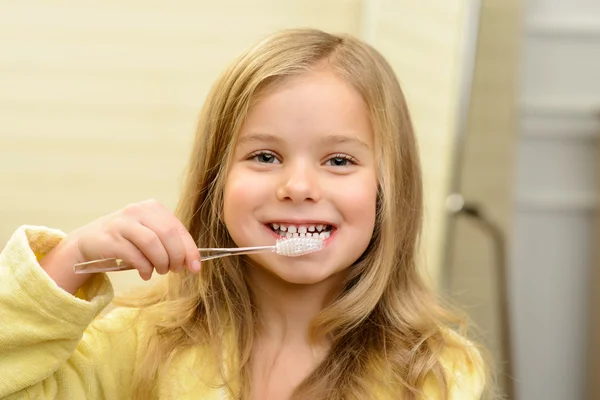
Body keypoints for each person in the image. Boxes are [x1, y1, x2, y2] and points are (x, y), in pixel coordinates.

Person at [0, 28, 486, 400]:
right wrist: (69, 260)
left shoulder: (434, 373)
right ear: (217, 182)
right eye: (265, 156)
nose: (298, 187)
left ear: (388, 189)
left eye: (339, 161)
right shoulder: (132, 344)